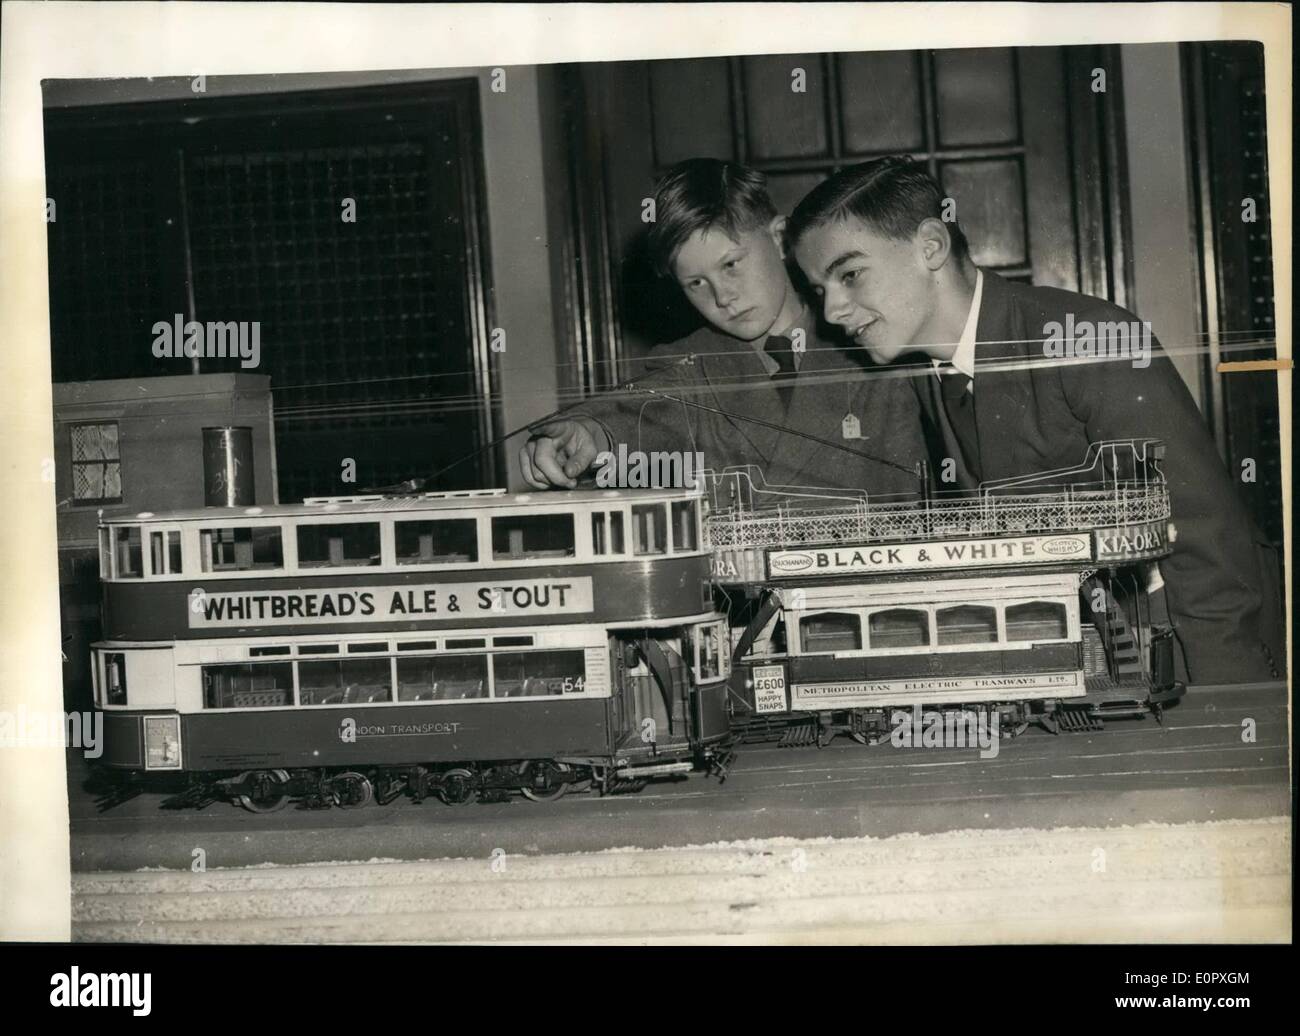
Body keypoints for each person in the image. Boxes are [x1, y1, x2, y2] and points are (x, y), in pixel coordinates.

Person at [784, 155, 1282, 687]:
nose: (833, 310)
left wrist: (1231, 705)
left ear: (930, 246)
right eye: (819, 290)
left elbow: (1204, 537)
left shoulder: (1087, 336)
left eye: (850, 275)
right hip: (1090, 650)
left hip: (1190, 643)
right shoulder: (925, 370)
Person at [518, 158, 924, 498]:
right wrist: (589, 434)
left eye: (731, 265)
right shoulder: (687, 366)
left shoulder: (872, 339)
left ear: (781, 239)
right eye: (696, 283)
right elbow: (629, 416)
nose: (723, 296)